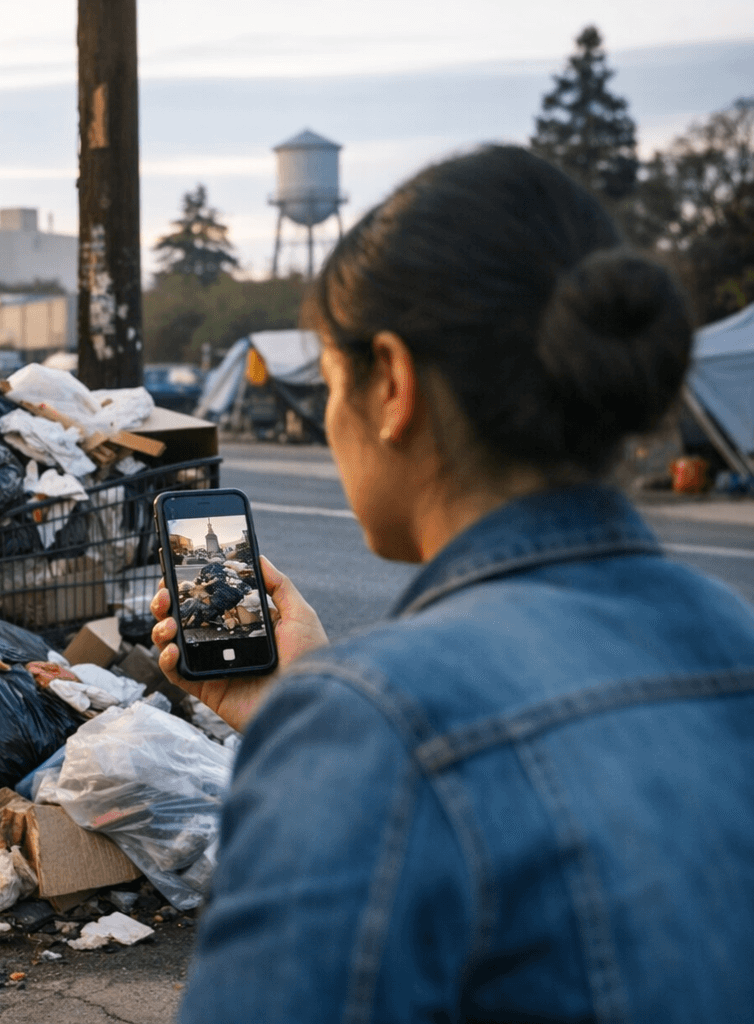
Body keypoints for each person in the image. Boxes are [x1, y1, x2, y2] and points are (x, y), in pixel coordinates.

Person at [153, 146, 754, 1021]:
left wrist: (326, 727)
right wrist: (299, 704)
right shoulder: (728, 632)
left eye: (327, 382)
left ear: (391, 384)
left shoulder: (370, 733)